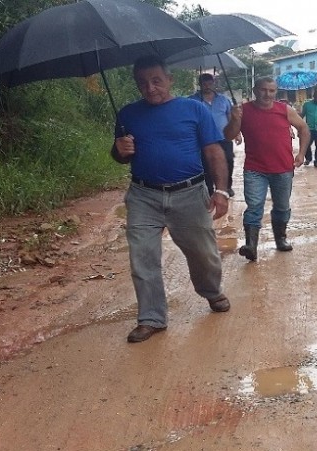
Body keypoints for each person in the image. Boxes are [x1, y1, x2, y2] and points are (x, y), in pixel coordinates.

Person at [111, 56, 233, 343]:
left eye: (156, 81)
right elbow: (119, 156)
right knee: (142, 257)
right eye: (142, 83)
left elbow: (214, 152)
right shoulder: (127, 114)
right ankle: (151, 317)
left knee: (203, 254)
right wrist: (119, 150)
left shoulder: (194, 109)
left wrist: (222, 191)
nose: (150, 88)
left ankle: (211, 291)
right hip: (143, 196)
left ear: (170, 80)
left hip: (189, 195)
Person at [224, 77, 310, 262]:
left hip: (283, 168)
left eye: (271, 91)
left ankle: (280, 238)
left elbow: (303, 128)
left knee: (282, 206)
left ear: (276, 92)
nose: (267, 94)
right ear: (255, 90)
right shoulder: (243, 111)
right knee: (254, 206)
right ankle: (251, 245)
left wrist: (301, 153)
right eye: (263, 90)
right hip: (255, 169)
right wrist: (234, 119)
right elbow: (229, 135)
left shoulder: (284, 110)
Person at [188, 73, 240, 197]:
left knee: (228, 161)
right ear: (200, 85)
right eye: (204, 84)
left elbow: (230, 117)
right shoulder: (192, 100)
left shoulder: (224, 100)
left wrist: (237, 133)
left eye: (210, 83)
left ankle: (226, 187)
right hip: (203, 139)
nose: (207, 86)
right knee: (206, 164)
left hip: (223, 137)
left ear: (214, 84)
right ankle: (209, 188)